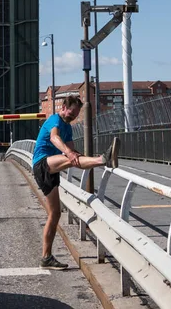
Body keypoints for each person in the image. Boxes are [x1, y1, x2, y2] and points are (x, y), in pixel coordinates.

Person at [33, 95, 120, 270]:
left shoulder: (68, 128)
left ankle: (46, 257)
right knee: (70, 157)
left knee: (55, 214)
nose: (73, 116)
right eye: (72, 112)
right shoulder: (54, 120)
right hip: (42, 164)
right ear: (64, 107)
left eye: (76, 114)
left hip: (52, 168)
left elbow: (73, 151)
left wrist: (74, 154)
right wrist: (69, 153)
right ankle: (103, 159)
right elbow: (54, 138)